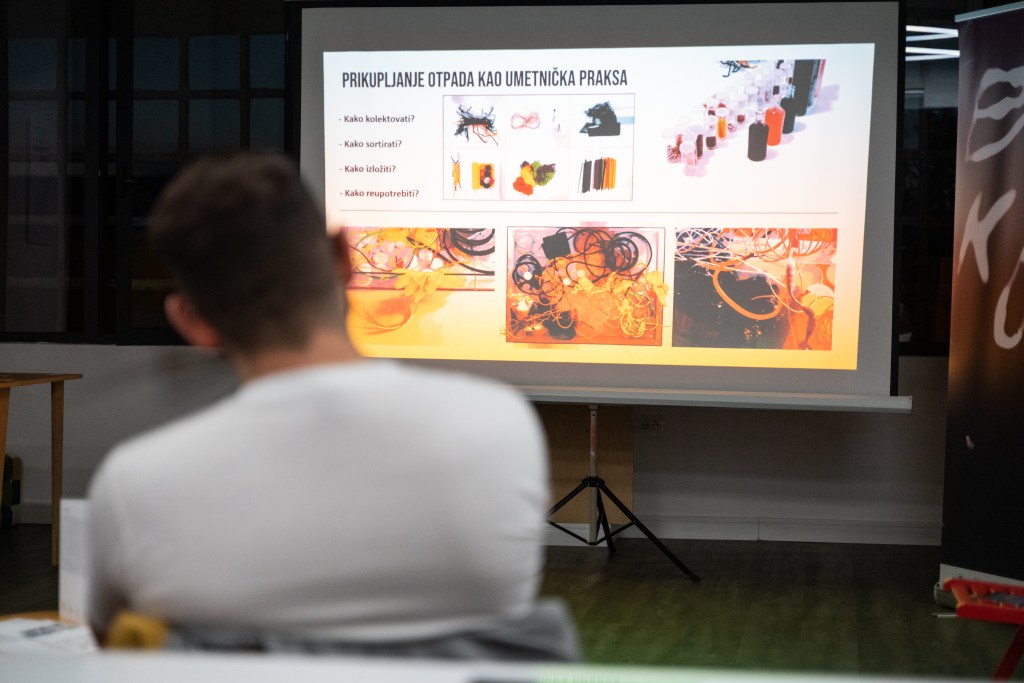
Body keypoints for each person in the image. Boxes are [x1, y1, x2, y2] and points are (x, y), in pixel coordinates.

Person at [86, 153, 564, 658]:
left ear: (191, 321)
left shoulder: (135, 481)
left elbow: (108, 640)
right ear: (343, 257)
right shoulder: (501, 424)